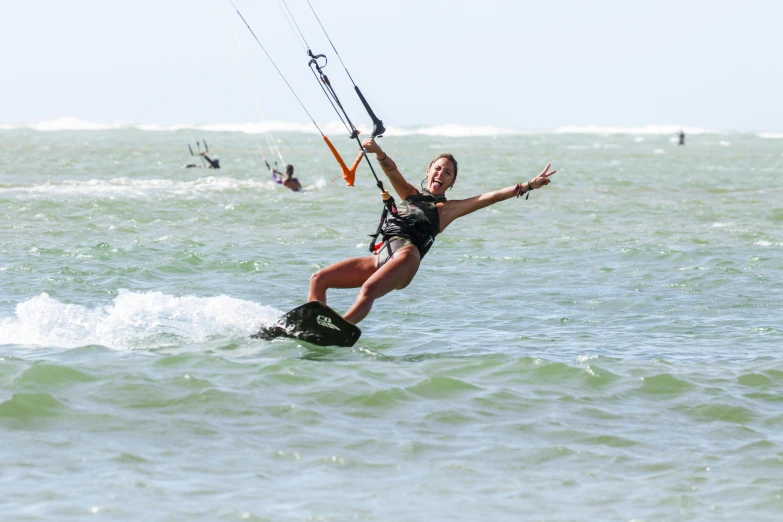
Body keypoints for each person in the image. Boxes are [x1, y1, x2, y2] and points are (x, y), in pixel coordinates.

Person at [307, 137, 556, 325]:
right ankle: (311, 324)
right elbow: (392, 171)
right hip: (382, 257)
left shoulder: (448, 209)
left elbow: (489, 198)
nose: (441, 173)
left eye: (447, 172)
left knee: (369, 289)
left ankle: (340, 326)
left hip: (407, 257)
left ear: (452, 182)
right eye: (437, 168)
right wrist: (379, 151)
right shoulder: (410, 195)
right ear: (428, 172)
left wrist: (529, 185)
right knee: (320, 279)